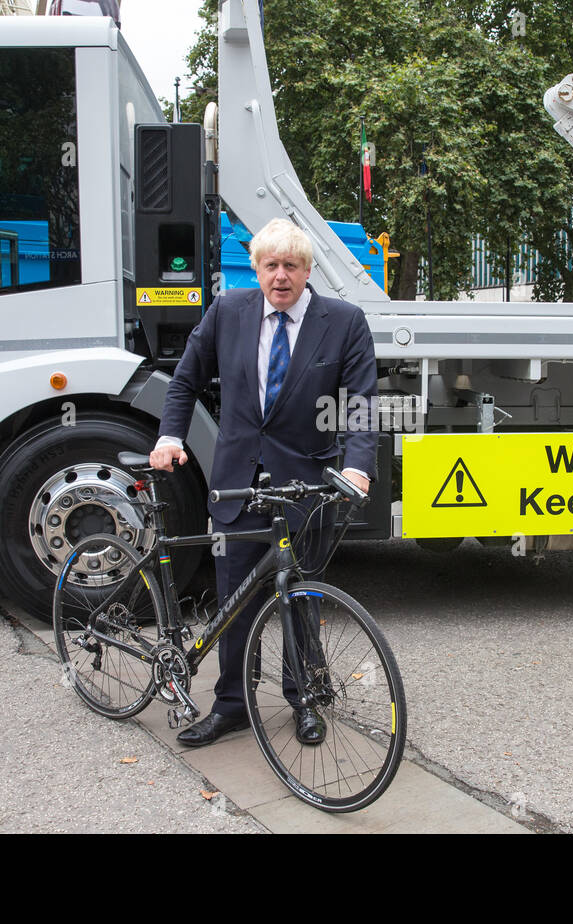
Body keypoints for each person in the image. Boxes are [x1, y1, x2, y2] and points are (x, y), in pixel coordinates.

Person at [149, 218, 377, 747]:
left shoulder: (343, 321)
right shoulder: (229, 311)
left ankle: (305, 701)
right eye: (270, 266)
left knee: (299, 599)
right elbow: (185, 380)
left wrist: (357, 465)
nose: (281, 277)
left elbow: (362, 403)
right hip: (238, 481)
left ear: (308, 270)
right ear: (256, 269)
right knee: (234, 599)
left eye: (291, 266)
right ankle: (231, 704)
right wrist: (170, 436)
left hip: (305, 486)